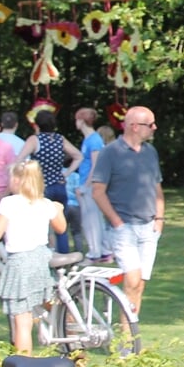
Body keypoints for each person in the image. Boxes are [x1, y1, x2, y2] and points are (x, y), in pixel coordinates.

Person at [0, 160, 66, 355]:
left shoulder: (9, 203)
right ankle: (64, 321)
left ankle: (24, 363)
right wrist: (59, 210)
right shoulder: (45, 203)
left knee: (22, 320)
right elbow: (61, 228)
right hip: (41, 258)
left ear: (18, 180)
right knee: (46, 296)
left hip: (20, 262)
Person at [91, 105, 163, 314]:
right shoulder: (110, 153)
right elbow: (97, 192)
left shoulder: (150, 152)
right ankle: (126, 341)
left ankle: (129, 336)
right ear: (134, 126)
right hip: (123, 228)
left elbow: (157, 187)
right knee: (131, 280)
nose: (154, 128)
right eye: (150, 124)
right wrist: (117, 222)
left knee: (139, 284)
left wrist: (159, 220)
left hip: (149, 227)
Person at [17, 110, 82, 253]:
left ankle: (45, 255)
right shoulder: (60, 139)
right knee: (61, 225)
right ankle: (64, 257)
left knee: (41, 226)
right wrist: (66, 173)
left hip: (41, 187)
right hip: (59, 186)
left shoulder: (35, 140)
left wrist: (26, 174)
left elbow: (19, 159)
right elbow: (78, 156)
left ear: (37, 124)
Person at [74, 108, 109, 262]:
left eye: (77, 119)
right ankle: (104, 250)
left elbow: (96, 164)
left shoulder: (94, 140)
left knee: (91, 220)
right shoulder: (88, 139)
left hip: (89, 186)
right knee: (95, 219)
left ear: (82, 121)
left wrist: (86, 186)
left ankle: (94, 253)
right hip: (87, 184)